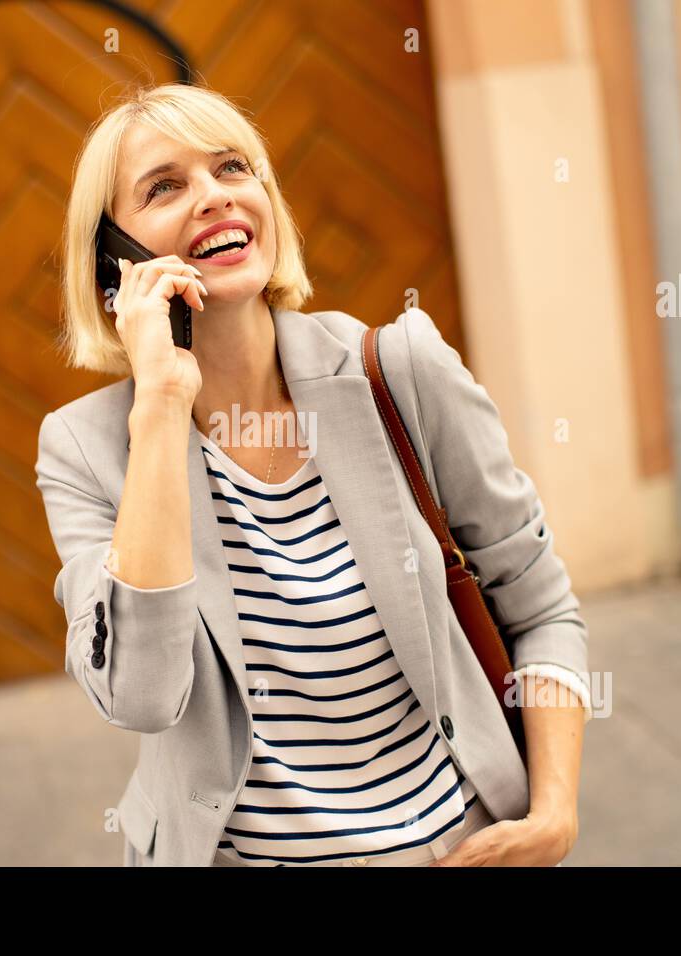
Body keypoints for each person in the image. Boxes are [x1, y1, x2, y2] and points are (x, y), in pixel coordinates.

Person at [35, 82, 590, 867]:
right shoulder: (86, 449)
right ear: (111, 262)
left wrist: (555, 811)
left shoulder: (399, 372)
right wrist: (160, 403)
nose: (213, 198)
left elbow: (541, 610)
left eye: (234, 168)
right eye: (165, 185)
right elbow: (142, 695)